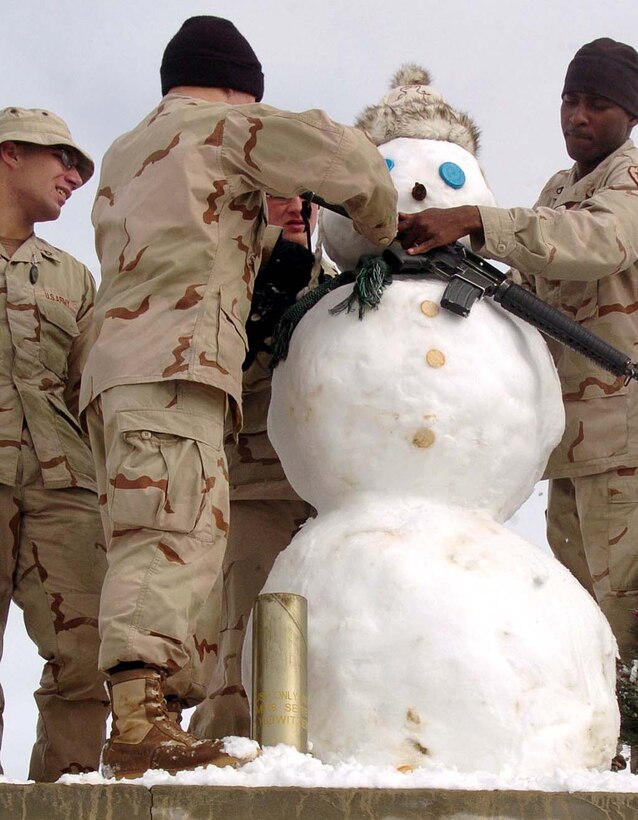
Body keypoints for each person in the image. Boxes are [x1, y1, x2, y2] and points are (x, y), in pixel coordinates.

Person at [82, 15, 397, 779]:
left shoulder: (133, 149)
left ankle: (153, 720)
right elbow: (347, 155)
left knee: (164, 531)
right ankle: (137, 725)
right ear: (239, 86)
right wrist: (385, 227)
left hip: (125, 366)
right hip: (172, 365)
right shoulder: (222, 123)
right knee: (170, 534)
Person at [397, 38, 638, 663]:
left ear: (631, 116)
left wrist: (478, 221)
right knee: (589, 634)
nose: (577, 116)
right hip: (575, 449)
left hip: (636, 444)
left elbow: (602, 242)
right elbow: (533, 288)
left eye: (596, 104)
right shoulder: (561, 188)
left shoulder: (636, 178)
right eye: (569, 100)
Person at [190, 194, 330, 739]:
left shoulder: (337, 279)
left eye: (310, 198)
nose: (299, 207)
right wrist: (276, 282)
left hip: (322, 494)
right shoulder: (224, 270)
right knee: (237, 655)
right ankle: (221, 774)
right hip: (252, 484)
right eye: (282, 194)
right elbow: (224, 370)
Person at [0, 106, 108, 781]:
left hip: (62, 485)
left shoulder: (73, 277)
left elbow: (87, 388)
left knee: (88, 657)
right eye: (61, 159)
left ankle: (63, 798)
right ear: (10, 153)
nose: (73, 176)